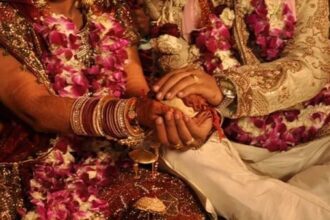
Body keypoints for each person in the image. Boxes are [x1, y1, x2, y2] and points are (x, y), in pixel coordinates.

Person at [0, 0, 209, 219]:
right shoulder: (7, 16)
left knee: (170, 205)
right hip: (38, 176)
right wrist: (132, 113)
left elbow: (134, 86)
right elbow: (36, 108)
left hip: (110, 155)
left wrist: (175, 106)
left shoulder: (106, 7)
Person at [141, 0, 330, 219]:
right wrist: (193, 114)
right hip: (227, 151)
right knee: (177, 147)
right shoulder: (166, 6)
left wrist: (227, 89)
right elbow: (175, 84)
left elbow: (312, 65)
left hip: (316, 143)